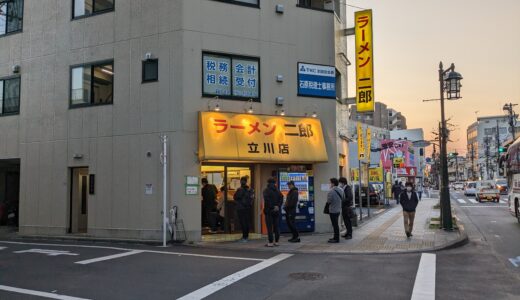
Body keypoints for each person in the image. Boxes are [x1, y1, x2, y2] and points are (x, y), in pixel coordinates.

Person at [263, 178, 283, 247]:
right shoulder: (278, 191)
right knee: (276, 226)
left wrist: (272, 207)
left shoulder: (266, 190)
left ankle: (270, 242)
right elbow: (281, 198)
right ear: (274, 183)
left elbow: (267, 200)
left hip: (269, 211)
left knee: (269, 227)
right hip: (276, 211)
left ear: (268, 183)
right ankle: (277, 241)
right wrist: (277, 206)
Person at [233, 177, 254, 242]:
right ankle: (246, 236)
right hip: (248, 208)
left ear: (241, 181)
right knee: (247, 222)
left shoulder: (240, 190)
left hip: (241, 208)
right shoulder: (250, 190)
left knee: (243, 222)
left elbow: (235, 197)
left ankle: (244, 237)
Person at [326, 178, 344, 243]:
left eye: (330, 183)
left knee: (335, 225)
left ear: (333, 183)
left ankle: (336, 239)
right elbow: (343, 198)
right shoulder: (341, 190)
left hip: (332, 210)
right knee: (336, 224)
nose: (329, 184)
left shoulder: (331, 191)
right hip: (338, 209)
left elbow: (329, 201)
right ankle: (335, 237)